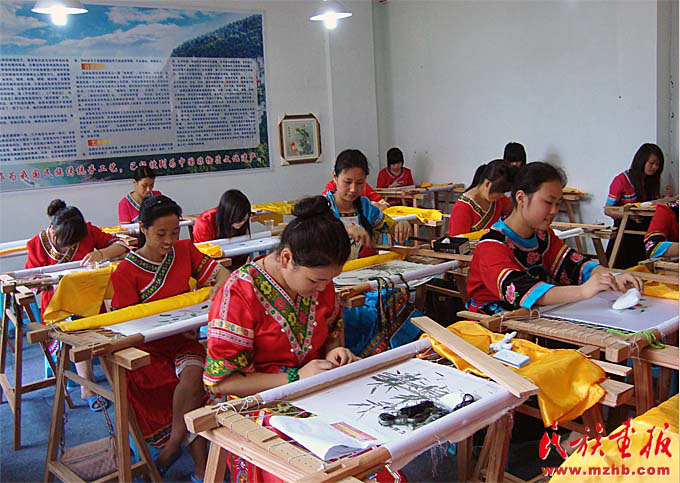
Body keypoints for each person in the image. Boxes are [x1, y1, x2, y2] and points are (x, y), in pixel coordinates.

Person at [203, 196, 358, 483]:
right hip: (259, 404)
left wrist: (334, 352)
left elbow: (332, 331)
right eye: (315, 281)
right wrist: (295, 378)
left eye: (329, 280)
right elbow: (221, 382)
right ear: (287, 258)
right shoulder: (240, 293)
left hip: (316, 391)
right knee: (317, 471)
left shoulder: (320, 282)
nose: (323, 288)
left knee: (368, 456)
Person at [111, 195, 230, 481]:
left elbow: (223, 273)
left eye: (175, 232)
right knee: (192, 391)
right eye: (160, 234)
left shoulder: (184, 250)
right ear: (143, 228)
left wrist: (219, 286)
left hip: (181, 341)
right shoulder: (126, 271)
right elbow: (124, 326)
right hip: (146, 351)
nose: (169, 240)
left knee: (194, 374)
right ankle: (200, 467)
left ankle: (173, 446)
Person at [466, 162, 642, 315]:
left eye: (558, 204)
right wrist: (583, 291)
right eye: (548, 202)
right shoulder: (492, 245)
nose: (554, 211)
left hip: (530, 319)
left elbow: (573, 264)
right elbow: (521, 290)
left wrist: (612, 277)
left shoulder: (543, 236)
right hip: (490, 328)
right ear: (521, 198)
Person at [26, 199, 129, 410]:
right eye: (67, 243)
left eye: (75, 243)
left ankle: (116, 382)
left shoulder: (88, 231)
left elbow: (122, 245)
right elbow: (30, 283)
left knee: (107, 321)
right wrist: (45, 282)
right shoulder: (37, 245)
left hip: (90, 300)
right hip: (59, 307)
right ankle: (87, 387)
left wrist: (100, 254)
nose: (71, 247)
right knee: (78, 328)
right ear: (52, 230)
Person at [325, 149, 410, 259]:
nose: (353, 189)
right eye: (347, 182)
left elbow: (390, 226)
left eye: (360, 183)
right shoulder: (323, 207)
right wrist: (346, 229)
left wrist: (401, 225)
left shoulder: (366, 207)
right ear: (335, 177)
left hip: (366, 267)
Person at [604, 143, 666, 268]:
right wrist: (630, 215)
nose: (655, 167)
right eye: (652, 163)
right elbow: (608, 209)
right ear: (641, 161)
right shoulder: (621, 180)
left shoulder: (651, 181)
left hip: (644, 230)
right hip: (625, 230)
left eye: (657, 165)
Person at [449, 159, 515, 236]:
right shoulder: (462, 207)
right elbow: (457, 240)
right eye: (499, 191)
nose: (502, 195)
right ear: (488, 184)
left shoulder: (499, 199)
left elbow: (514, 212)